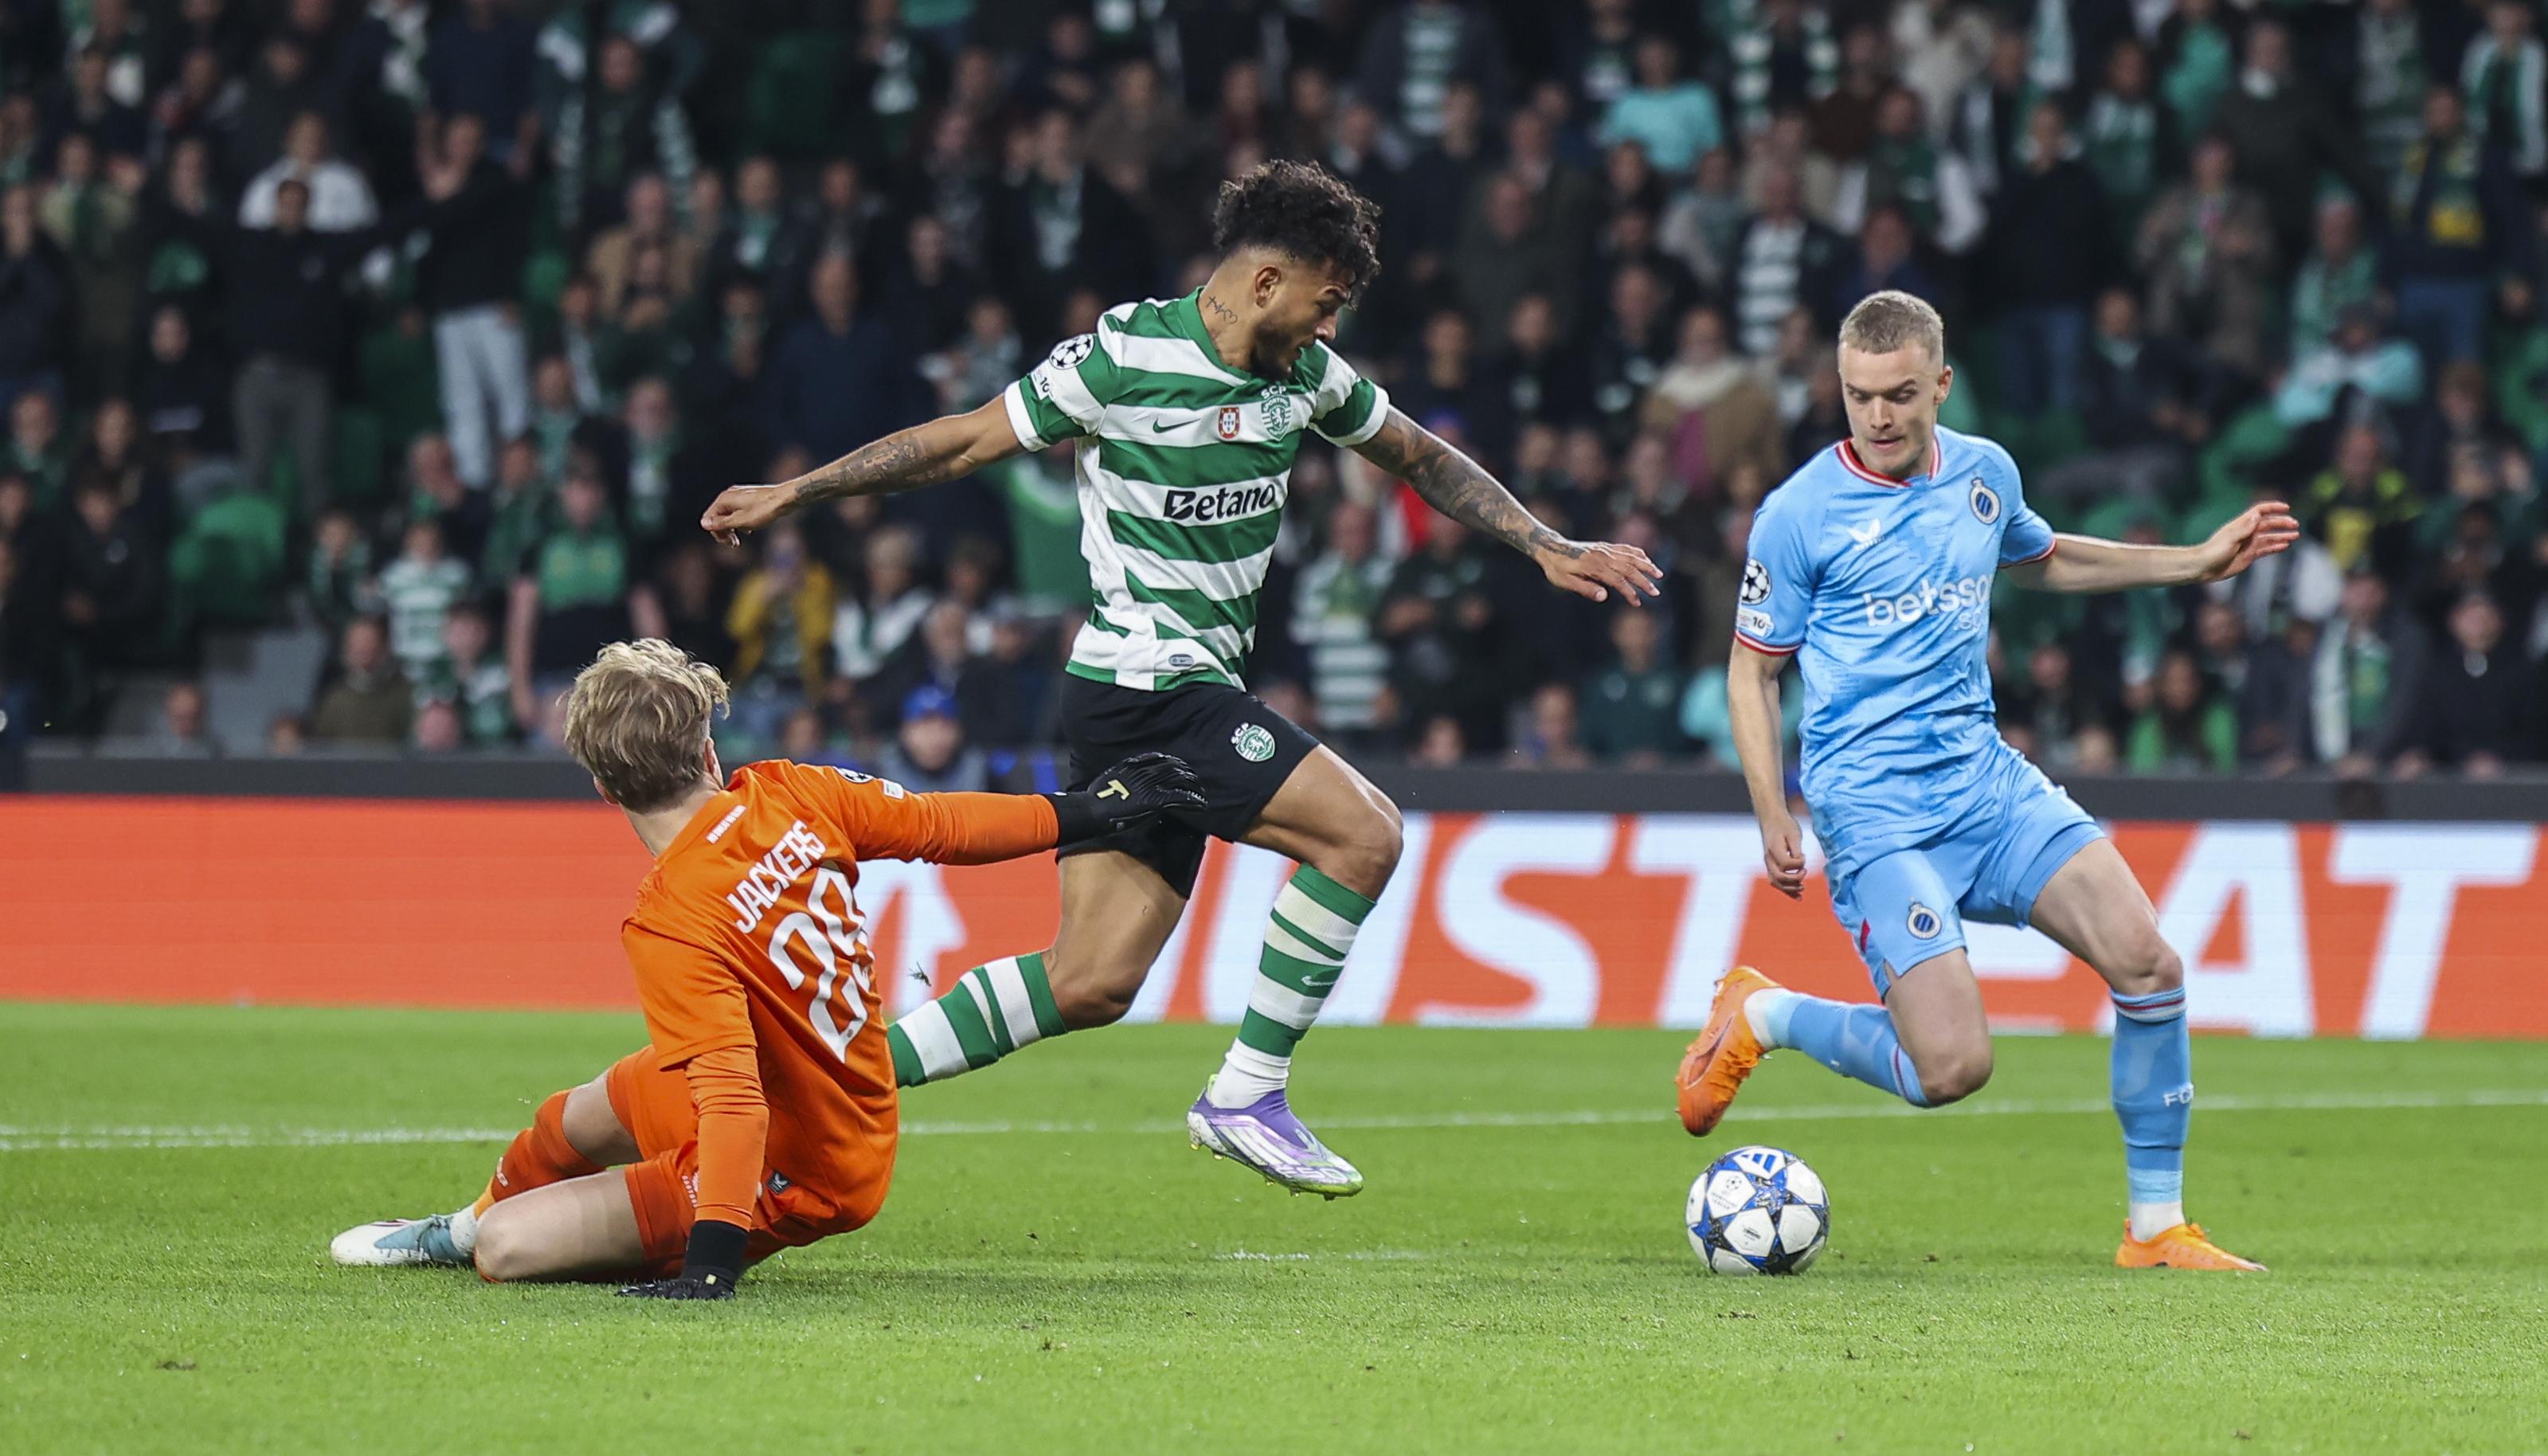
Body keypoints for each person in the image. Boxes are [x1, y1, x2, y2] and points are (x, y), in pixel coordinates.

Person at [699, 160, 1659, 1198]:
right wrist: (794, 492)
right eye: (1322, 302)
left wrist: (1540, 541)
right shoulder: (1119, 359)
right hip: (1147, 680)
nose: (1328, 328)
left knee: (1091, 981)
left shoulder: (1305, 381)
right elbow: (964, 439)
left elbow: (1418, 456)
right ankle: (1248, 1091)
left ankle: (825, 1074)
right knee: (1365, 833)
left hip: (1153, 696)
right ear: (1261, 282)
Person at [1681, 291, 2296, 1271]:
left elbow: (2041, 562)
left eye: (1898, 395)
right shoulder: (1797, 514)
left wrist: (2193, 563)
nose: (1877, 417)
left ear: (1940, 385)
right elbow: (1751, 671)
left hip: (1984, 784)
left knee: (2149, 965)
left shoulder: (1983, 473)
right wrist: (1773, 812)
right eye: (1857, 396)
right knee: (1953, 1067)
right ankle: (1763, 1013)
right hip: (1874, 809)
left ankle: (2155, 1229)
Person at [329, 638, 1204, 1294]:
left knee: (510, 1251)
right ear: (709, 750)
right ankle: (453, 1225)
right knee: (574, 1117)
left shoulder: (670, 918)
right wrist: (1090, 812)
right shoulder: (793, 790)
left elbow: (734, 1100)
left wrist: (712, 1261)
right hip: (810, 1092)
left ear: (604, 789)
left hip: (810, 1160)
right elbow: (945, 824)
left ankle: (480, 1233)